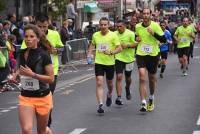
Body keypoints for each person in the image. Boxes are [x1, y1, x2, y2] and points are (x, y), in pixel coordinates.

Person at [21, 13, 64, 132]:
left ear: (48, 24)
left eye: (45, 26)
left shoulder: (54, 34)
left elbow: (62, 47)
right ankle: (42, 124)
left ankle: (46, 124)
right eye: (40, 26)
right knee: (33, 100)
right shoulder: (30, 36)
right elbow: (23, 54)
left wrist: (57, 50)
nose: (43, 29)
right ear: (36, 25)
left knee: (45, 96)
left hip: (51, 72)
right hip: (31, 75)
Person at [11, 24, 54, 134]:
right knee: (26, 129)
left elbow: (50, 78)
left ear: (38, 39)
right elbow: (19, 69)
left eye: (31, 36)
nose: (28, 39)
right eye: (26, 36)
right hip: (26, 96)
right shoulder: (21, 53)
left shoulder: (44, 55)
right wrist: (15, 75)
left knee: (42, 131)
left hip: (42, 97)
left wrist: (33, 75)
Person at [87, 17, 122, 114]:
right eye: (101, 25)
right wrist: (89, 55)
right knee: (99, 82)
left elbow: (119, 48)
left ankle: (110, 94)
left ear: (108, 25)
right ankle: (100, 104)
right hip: (99, 62)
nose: (103, 26)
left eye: (105, 25)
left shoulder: (113, 36)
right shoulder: (95, 35)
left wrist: (111, 52)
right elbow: (92, 45)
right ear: (99, 25)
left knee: (110, 84)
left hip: (110, 63)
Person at [135, 8, 166, 112]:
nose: (146, 15)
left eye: (148, 14)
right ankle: (143, 102)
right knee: (142, 77)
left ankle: (151, 97)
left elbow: (164, 40)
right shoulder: (137, 26)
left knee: (152, 78)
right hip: (141, 54)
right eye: (144, 13)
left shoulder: (155, 26)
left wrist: (154, 34)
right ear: (141, 15)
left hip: (153, 54)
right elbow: (137, 37)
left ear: (150, 15)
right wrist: (136, 39)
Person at [114, 20, 139, 105]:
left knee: (128, 77)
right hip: (118, 57)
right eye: (117, 26)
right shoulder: (114, 34)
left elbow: (136, 44)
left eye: (120, 26)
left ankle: (127, 88)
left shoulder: (131, 34)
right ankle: (119, 97)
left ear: (125, 26)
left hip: (129, 58)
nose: (118, 28)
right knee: (119, 77)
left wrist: (127, 45)